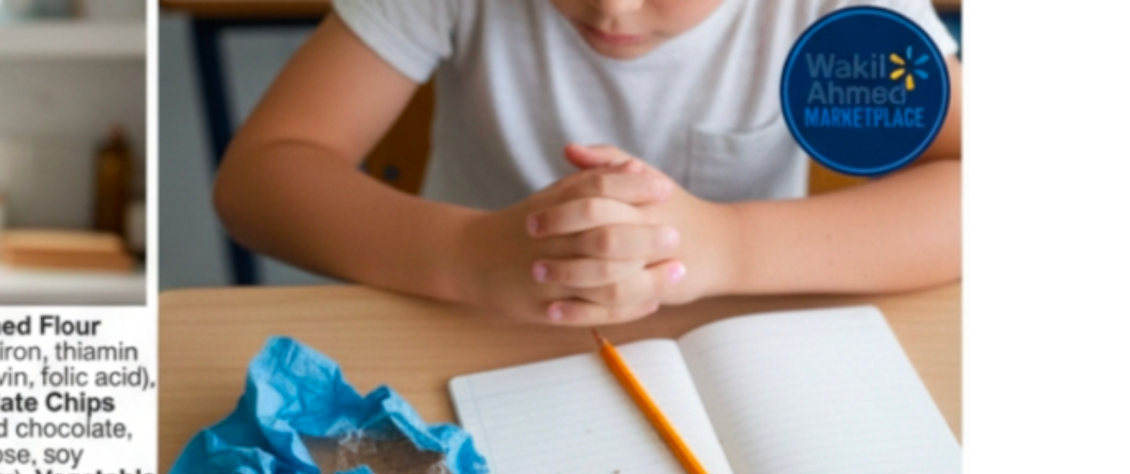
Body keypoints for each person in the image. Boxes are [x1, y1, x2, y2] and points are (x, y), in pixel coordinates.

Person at [212, 0, 961, 326]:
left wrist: (728, 245)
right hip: (472, 319)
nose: (612, 9)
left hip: (733, 330)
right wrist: (468, 255)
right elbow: (259, 177)